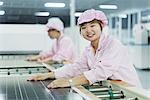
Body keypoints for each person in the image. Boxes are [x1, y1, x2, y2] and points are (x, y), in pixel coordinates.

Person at [27, 9, 141, 88]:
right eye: (84, 27)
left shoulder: (113, 45)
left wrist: (69, 82)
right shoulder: (88, 50)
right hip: (112, 87)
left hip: (129, 89)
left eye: (92, 25)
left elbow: (100, 72)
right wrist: (49, 75)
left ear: (101, 27)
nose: (88, 31)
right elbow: (76, 68)